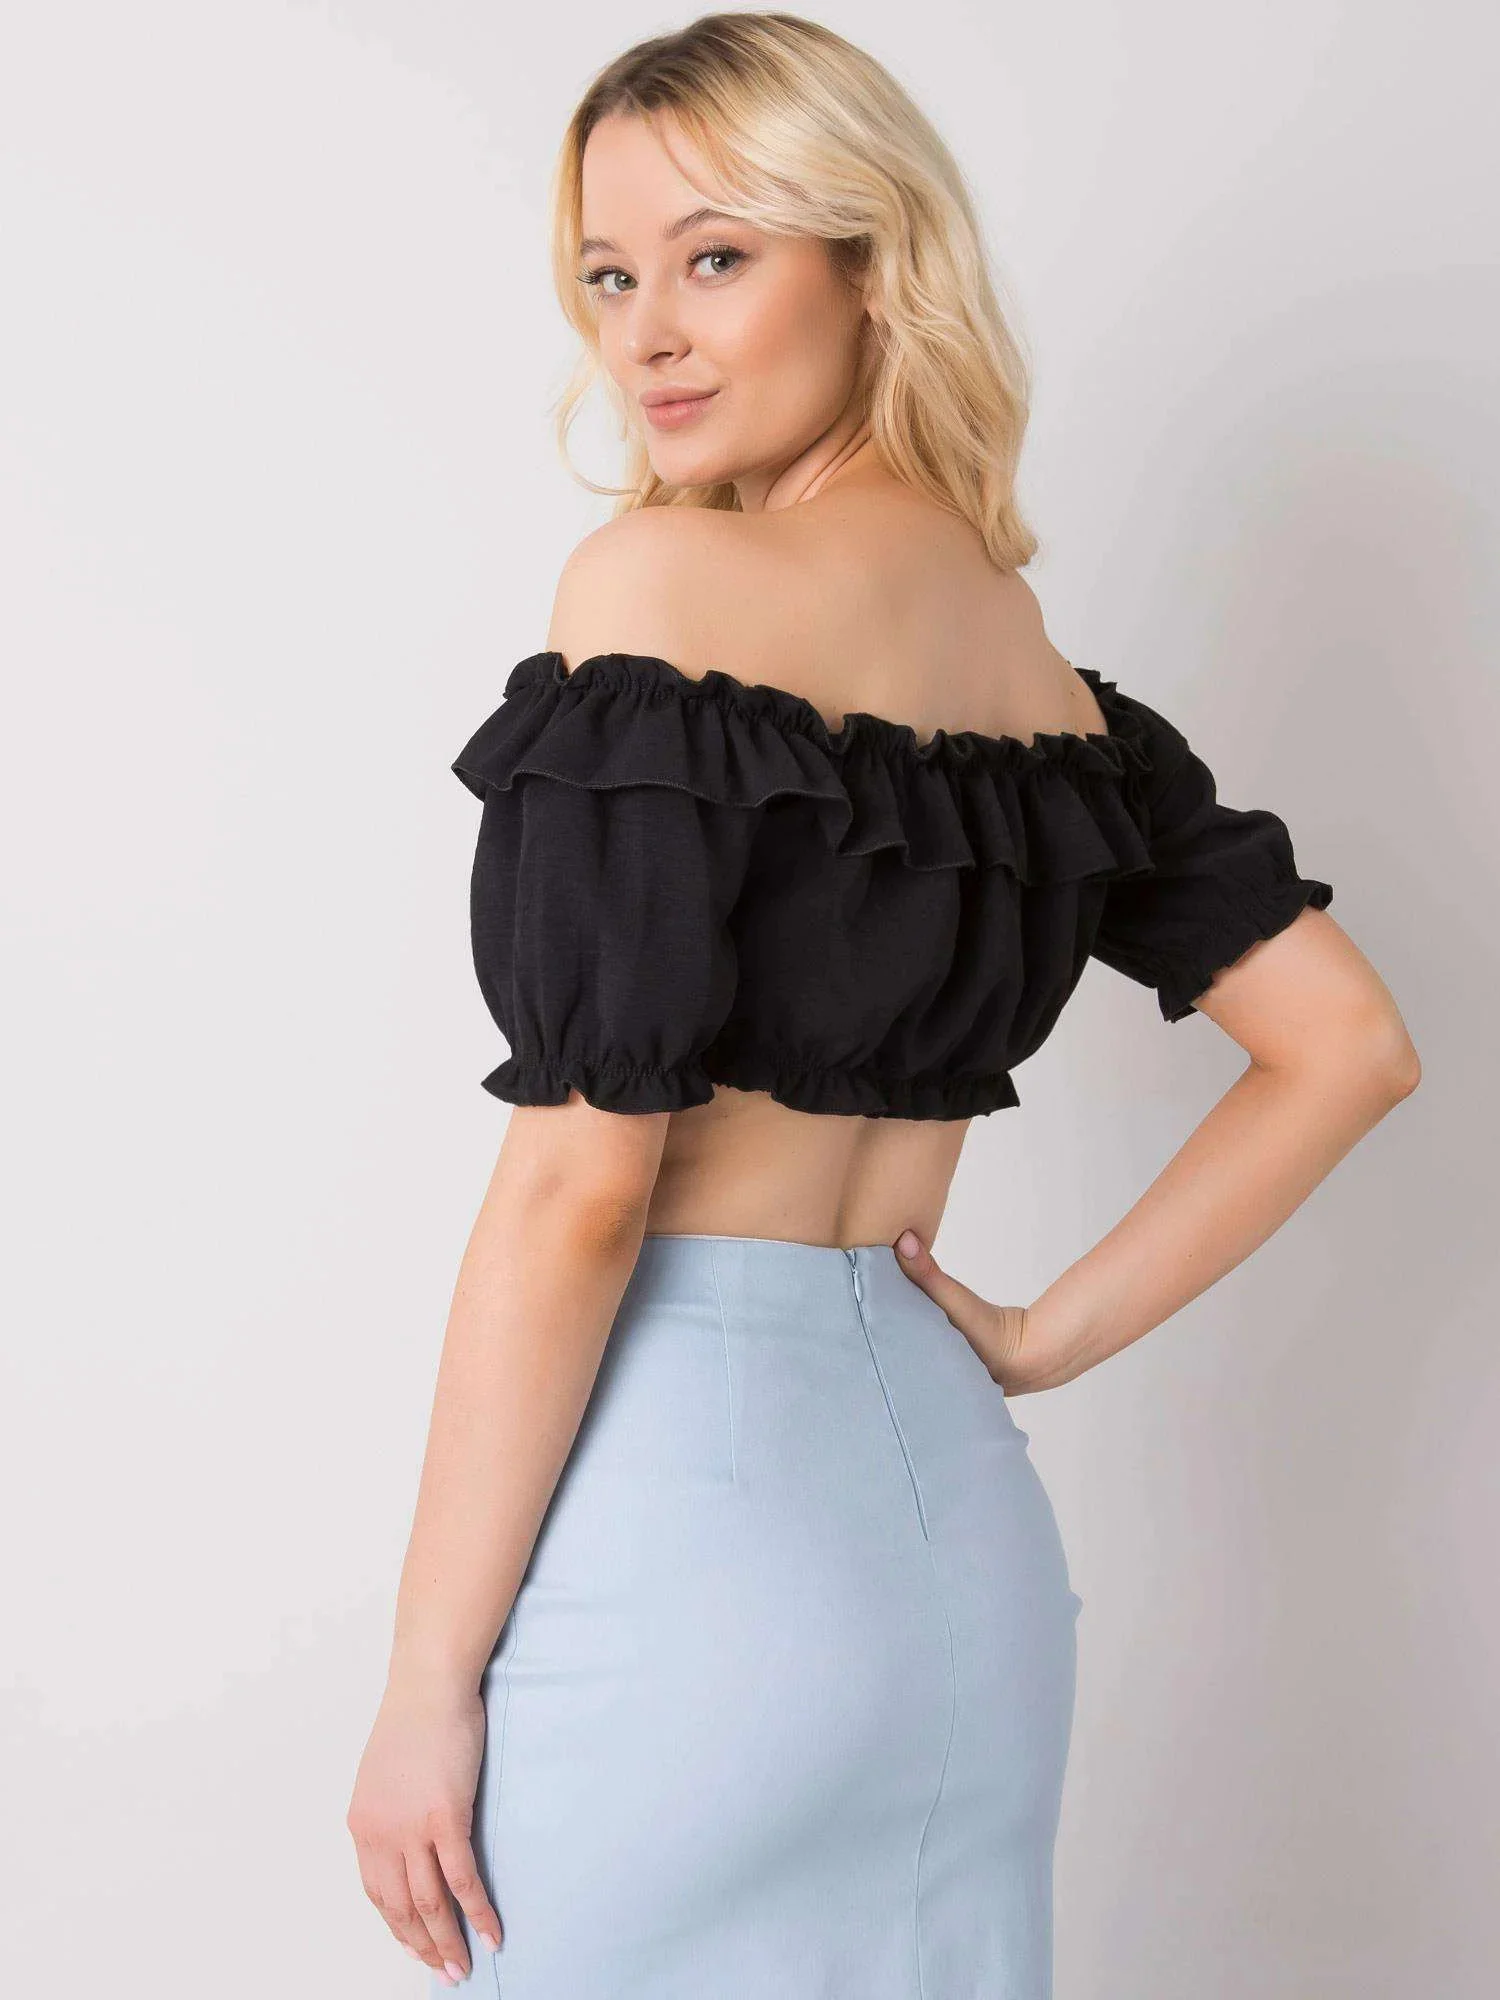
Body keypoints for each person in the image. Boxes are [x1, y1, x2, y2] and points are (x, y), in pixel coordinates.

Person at [345, 15, 1419, 1996]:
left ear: (870, 259)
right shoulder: (1051, 691)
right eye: (609, 274)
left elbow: (580, 1194)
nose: (648, 335)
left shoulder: (655, 594)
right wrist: (1033, 1340)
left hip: (683, 1552)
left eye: (717, 256)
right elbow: (1347, 1047)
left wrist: (426, 1679)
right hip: (960, 1574)